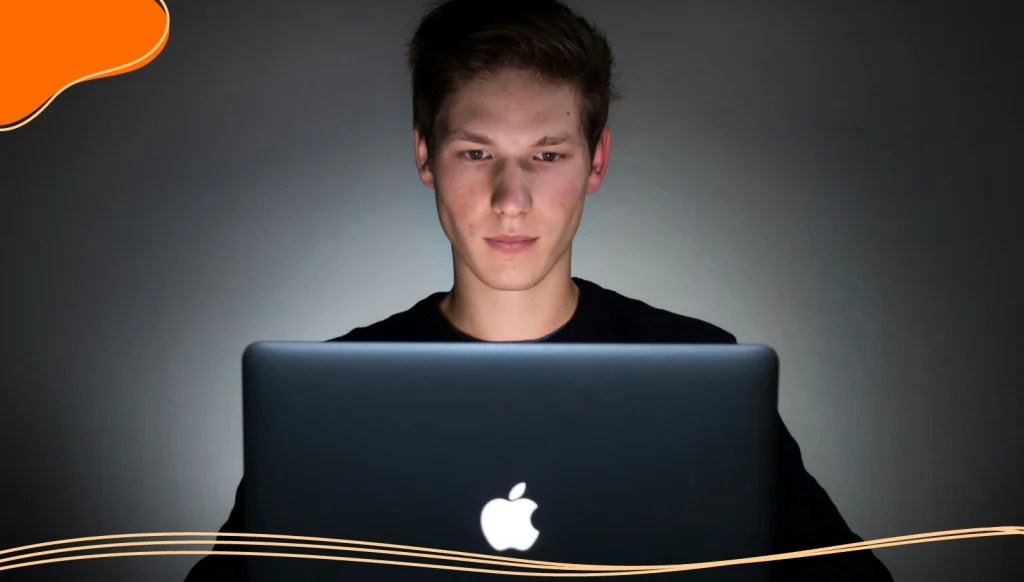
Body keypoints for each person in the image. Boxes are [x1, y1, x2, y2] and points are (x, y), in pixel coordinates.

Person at [185, 1, 893, 580]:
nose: (511, 198)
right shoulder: (327, 403)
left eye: (547, 155)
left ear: (596, 162)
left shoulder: (696, 374)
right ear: (425, 156)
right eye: (476, 153)